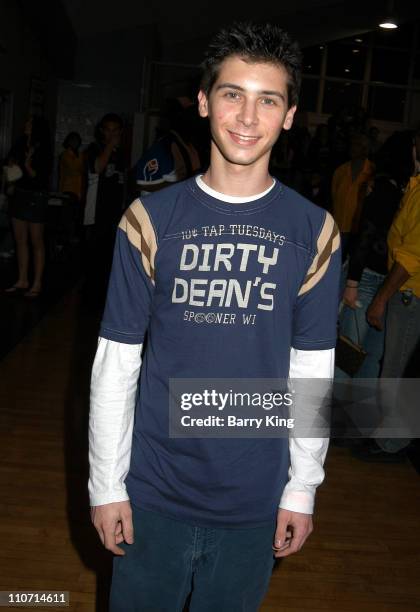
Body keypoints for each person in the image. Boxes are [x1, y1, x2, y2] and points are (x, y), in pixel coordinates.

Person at [89, 22, 341, 611]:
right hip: (152, 488)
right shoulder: (148, 221)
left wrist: (301, 489)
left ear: (290, 115)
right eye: (233, 94)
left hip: (254, 498)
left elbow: (313, 370)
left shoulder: (314, 232)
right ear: (204, 102)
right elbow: (117, 363)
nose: (248, 117)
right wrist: (106, 485)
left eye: (268, 100)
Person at [338, 131, 415, 379]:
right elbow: (366, 237)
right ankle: (338, 412)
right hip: (375, 279)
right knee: (354, 353)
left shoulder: (407, 188)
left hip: (387, 283)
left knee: (361, 354)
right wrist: (352, 284)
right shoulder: (388, 188)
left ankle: (348, 413)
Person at [5, 115, 52, 298]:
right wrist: (11, 173)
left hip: (36, 196)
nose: (26, 125)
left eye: (30, 123)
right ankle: (22, 279)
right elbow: (10, 167)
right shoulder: (20, 143)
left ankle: (37, 282)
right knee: (20, 240)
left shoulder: (43, 149)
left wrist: (27, 164)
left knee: (36, 241)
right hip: (19, 194)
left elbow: (39, 177)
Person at [83, 113, 127, 298]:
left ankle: (104, 293)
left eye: (115, 131)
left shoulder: (121, 153)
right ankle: (90, 293)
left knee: (110, 254)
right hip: (96, 210)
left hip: (115, 211)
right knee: (94, 252)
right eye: (108, 130)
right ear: (102, 131)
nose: (112, 135)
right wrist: (109, 146)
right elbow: (97, 167)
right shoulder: (94, 148)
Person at [331, 133, 374, 261]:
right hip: (339, 227)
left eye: (357, 145)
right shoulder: (340, 171)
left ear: (365, 149)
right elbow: (333, 199)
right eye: (352, 144)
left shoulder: (372, 171)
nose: (353, 148)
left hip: (360, 231)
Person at [59, 131, 84, 201]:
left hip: (78, 189)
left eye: (77, 141)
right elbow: (73, 168)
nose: (76, 143)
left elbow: (82, 171)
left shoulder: (80, 155)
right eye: (74, 140)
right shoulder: (65, 155)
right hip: (68, 189)